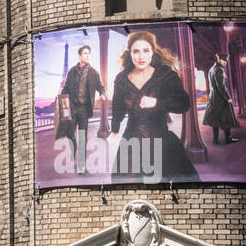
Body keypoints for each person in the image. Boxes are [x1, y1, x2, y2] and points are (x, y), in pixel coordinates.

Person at [109, 31, 198, 181]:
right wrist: (114, 130)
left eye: (146, 50)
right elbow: (117, 108)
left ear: (152, 51)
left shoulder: (165, 75)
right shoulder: (121, 79)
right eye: (136, 51)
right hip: (131, 142)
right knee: (127, 183)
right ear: (130, 53)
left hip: (161, 141)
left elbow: (183, 103)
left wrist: (157, 102)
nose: (141, 56)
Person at [60, 44, 106, 173]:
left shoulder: (93, 73)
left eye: (88, 53)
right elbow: (66, 88)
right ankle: (73, 150)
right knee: (70, 134)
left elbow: (101, 87)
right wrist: (62, 98)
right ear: (80, 56)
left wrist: (102, 94)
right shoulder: (72, 72)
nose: (87, 56)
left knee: (82, 136)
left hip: (84, 110)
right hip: (73, 108)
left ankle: (81, 164)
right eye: (85, 53)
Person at [202, 54, 238, 145]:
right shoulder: (220, 70)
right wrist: (228, 98)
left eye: (226, 61)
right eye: (224, 61)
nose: (226, 63)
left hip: (213, 97)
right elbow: (221, 87)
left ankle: (215, 140)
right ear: (219, 60)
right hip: (221, 98)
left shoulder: (212, 69)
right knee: (226, 118)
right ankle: (228, 138)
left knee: (215, 118)